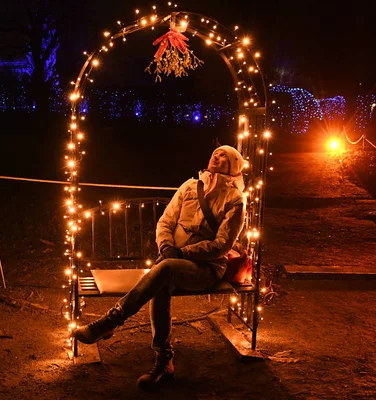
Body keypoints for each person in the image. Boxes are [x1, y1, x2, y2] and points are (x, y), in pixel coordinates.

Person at [73, 145, 246, 391]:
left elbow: (221, 245)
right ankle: (164, 361)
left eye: (224, 156)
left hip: (205, 268)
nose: (217, 156)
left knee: (165, 271)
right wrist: (166, 246)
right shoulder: (189, 187)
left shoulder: (235, 199)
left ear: (234, 167)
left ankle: (110, 321)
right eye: (215, 153)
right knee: (162, 281)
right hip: (171, 259)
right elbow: (165, 221)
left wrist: (181, 252)